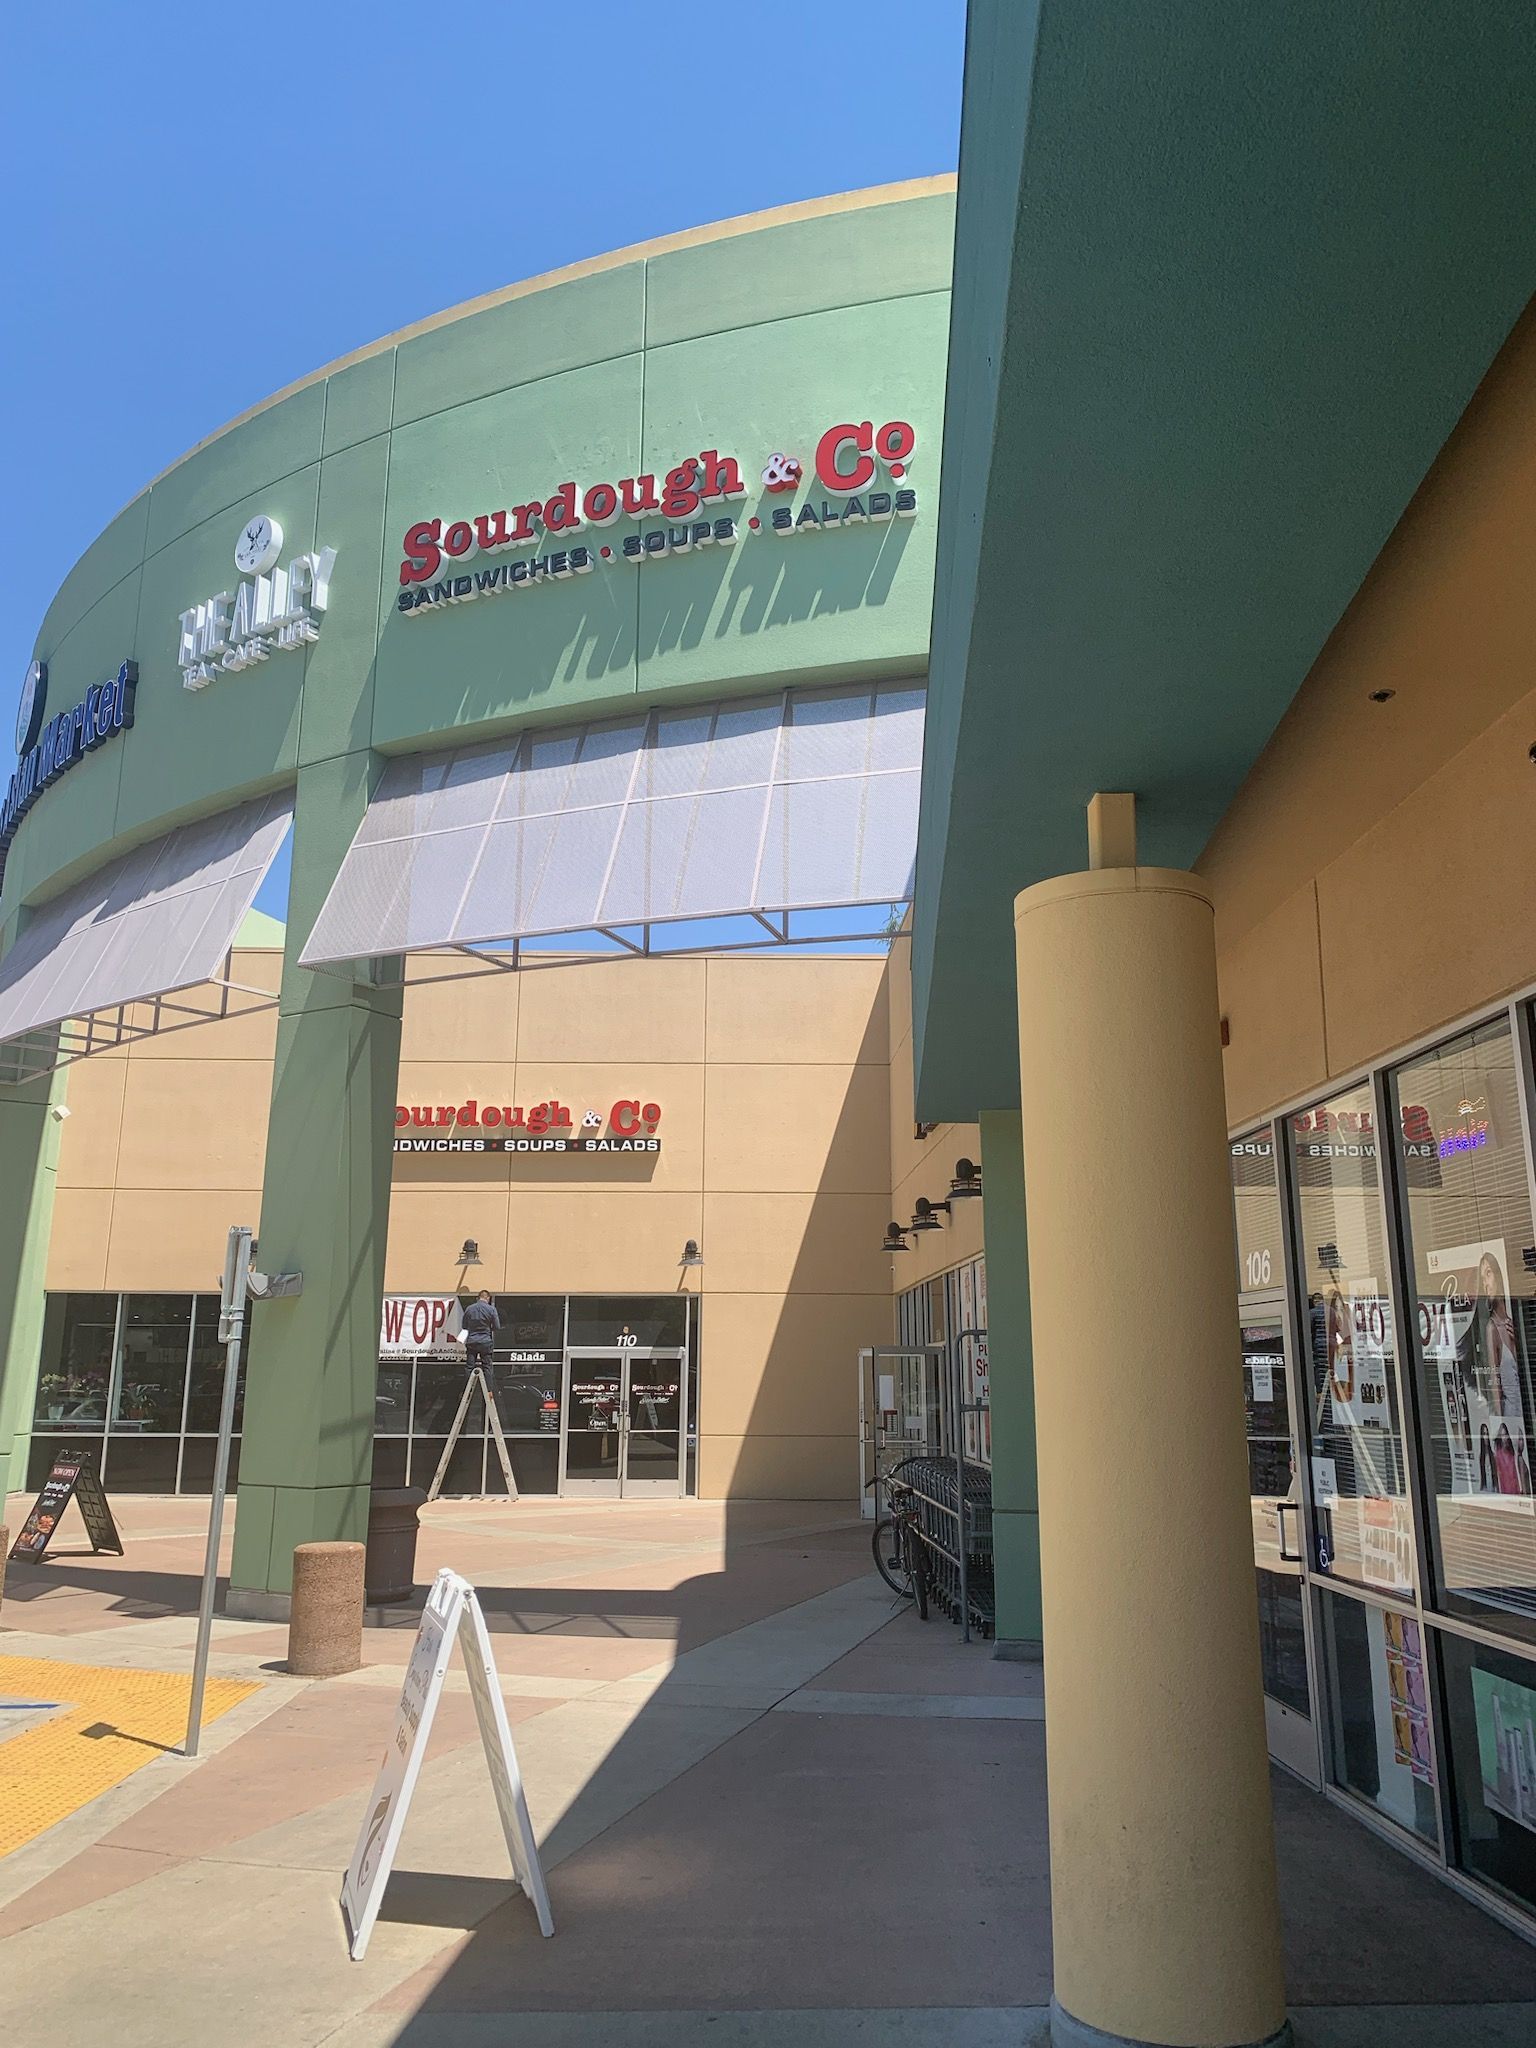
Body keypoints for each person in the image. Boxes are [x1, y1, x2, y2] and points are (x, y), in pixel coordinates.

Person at [460, 1290, 500, 1375]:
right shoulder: (491, 1309)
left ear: (477, 1298)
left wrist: (472, 1328)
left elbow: (464, 1326)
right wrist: (488, 1329)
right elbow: (497, 1326)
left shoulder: (469, 1309)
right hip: (485, 1341)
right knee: (487, 1367)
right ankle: (489, 1387)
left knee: (469, 1367)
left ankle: (469, 1387)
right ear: (488, 1298)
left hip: (472, 1341)